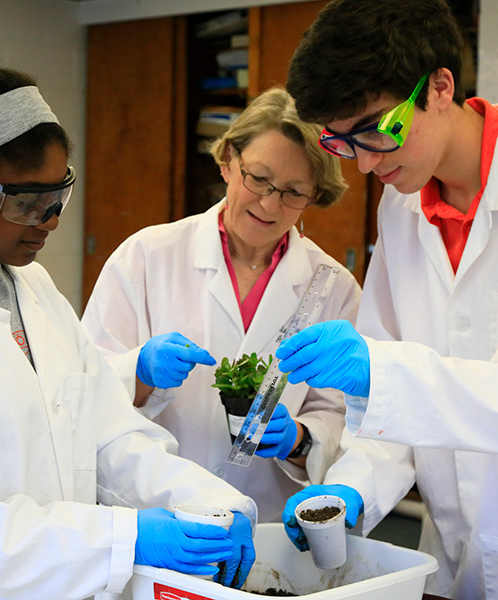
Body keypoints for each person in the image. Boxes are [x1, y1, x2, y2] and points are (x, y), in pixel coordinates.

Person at [0, 21, 258, 600]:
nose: (52, 221)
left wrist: (212, 502)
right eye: (27, 202)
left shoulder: (36, 292)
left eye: (58, 194)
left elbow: (112, 436)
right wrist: (123, 538)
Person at [276, 0, 498, 598]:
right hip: (451, 558)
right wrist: (353, 484)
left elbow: (396, 378)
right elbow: (391, 402)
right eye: (342, 142)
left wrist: (383, 373)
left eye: (379, 127)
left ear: (441, 87)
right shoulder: (401, 205)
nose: (369, 163)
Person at [81, 86, 362, 523]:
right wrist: (136, 371)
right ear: (229, 159)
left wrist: (301, 440)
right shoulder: (146, 256)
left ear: (315, 195)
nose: (270, 204)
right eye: (260, 178)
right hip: (159, 517)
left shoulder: (333, 287)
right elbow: (82, 390)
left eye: (293, 192)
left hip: (269, 530)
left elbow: (346, 415)